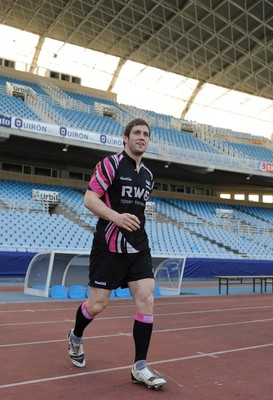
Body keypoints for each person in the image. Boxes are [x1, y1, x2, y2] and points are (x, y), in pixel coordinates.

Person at [67, 118, 166, 389]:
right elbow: (90, 199)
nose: (142, 137)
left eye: (146, 134)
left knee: (146, 298)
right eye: (136, 133)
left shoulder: (148, 175)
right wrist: (116, 217)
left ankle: (140, 367)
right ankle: (75, 336)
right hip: (108, 247)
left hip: (138, 247)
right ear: (125, 138)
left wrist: (132, 225)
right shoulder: (109, 164)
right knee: (97, 305)